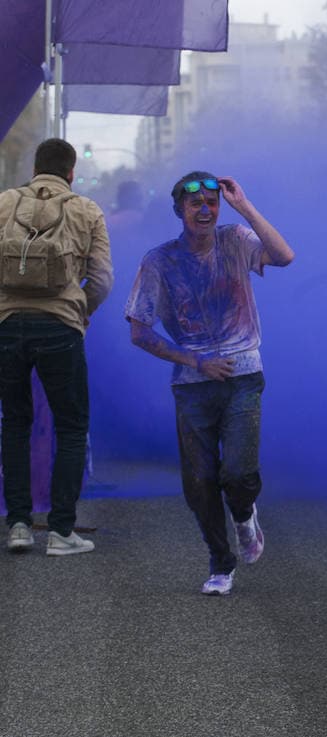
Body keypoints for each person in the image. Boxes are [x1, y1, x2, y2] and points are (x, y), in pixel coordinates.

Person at [125, 172, 294, 595]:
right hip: (191, 382)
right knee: (199, 481)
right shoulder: (159, 261)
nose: (205, 210)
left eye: (212, 203)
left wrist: (244, 205)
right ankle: (221, 563)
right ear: (179, 210)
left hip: (243, 375)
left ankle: (243, 515)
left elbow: (284, 255)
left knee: (237, 473)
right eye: (195, 204)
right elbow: (139, 331)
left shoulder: (235, 238)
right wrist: (195, 360)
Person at [0, 138, 113, 555]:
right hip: (60, 326)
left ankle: (18, 525)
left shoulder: (4, 203)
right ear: (71, 172)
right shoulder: (86, 209)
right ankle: (62, 532)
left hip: (7, 326)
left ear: (34, 168)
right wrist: (80, 313)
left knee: (14, 423)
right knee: (70, 426)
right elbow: (101, 278)